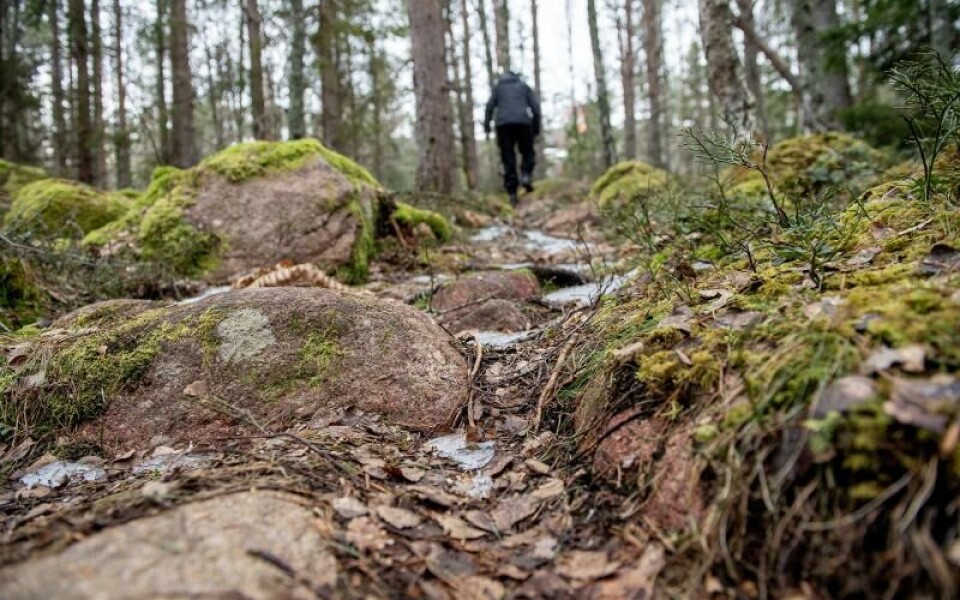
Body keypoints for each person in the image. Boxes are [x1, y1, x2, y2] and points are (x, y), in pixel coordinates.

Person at [484, 71, 541, 206]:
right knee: (527, 152)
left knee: (508, 158)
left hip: (503, 125)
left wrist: (487, 126)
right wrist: (535, 129)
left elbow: (489, 107)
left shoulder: (499, 88)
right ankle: (526, 175)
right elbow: (535, 108)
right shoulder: (523, 86)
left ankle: (512, 193)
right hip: (523, 123)